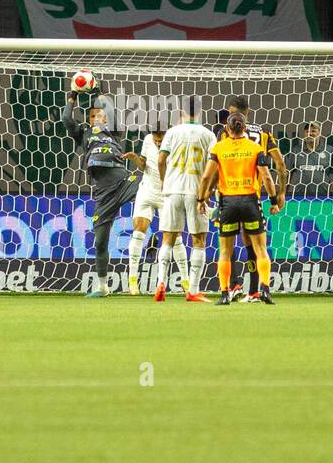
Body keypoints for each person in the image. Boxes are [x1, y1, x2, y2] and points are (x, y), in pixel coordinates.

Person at [63, 80, 147, 298]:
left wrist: (100, 93)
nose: (97, 117)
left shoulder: (114, 130)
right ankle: (102, 286)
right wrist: (73, 94)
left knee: (152, 189)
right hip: (103, 193)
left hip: (124, 180)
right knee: (100, 242)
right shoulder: (83, 134)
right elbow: (66, 119)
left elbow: (109, 108)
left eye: (100, 114)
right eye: (92, 115)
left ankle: (159, 234)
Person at [197, 113, 280, 306]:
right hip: (250, 201)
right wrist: (274, 201)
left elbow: (206, 177)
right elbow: (267, 177)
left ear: (227, 129)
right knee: (261, 249)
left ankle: (225, 293)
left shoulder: (219, 148)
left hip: (228, 203)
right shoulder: (255, 148)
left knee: (225, 251)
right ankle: (264, 290)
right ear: (244, 128)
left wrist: (201, 199)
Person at [215, 95, 287, 300]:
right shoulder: (263, 133)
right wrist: (281, 193)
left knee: (226, 244)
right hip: (252, 196)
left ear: (236, 113)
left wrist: (211, 197)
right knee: (254, 242)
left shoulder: (225, 133)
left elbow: (217, 165)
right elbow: (280, 165)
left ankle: (233, 286)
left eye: (230, 113)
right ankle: (255, 290)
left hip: (228, 196)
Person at [155, 101, 217, 302]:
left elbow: (161, 160)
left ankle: (160, 284)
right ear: (200, 111)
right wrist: (209, 190)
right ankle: (193, 290)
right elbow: (214, 166)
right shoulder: (208, 135)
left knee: (168, 239)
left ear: (181, 112)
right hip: (195, 191)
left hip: (172, 190)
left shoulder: (171, 133)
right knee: (198, 240)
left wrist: (165, 181)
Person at [127, 129, 165, 297]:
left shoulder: (174, 141)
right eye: (155, 138)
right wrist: (136, 159)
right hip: (147, 191)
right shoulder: (148, 139)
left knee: (174, 237)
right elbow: (144, 164)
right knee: (138, 233)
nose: (157, 142)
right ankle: (133, 282)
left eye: (160, 139)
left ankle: (184, 283)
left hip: (166, 194)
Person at [285, 121, 333, 195]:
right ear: (304, 134)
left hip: (323, 196)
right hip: (299, 196)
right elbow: (287, 172)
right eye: (307, 131)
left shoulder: (329, 150)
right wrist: (283, 193)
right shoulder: (296, 151)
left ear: (319, 133)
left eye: (313, 131)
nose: (310, 133)